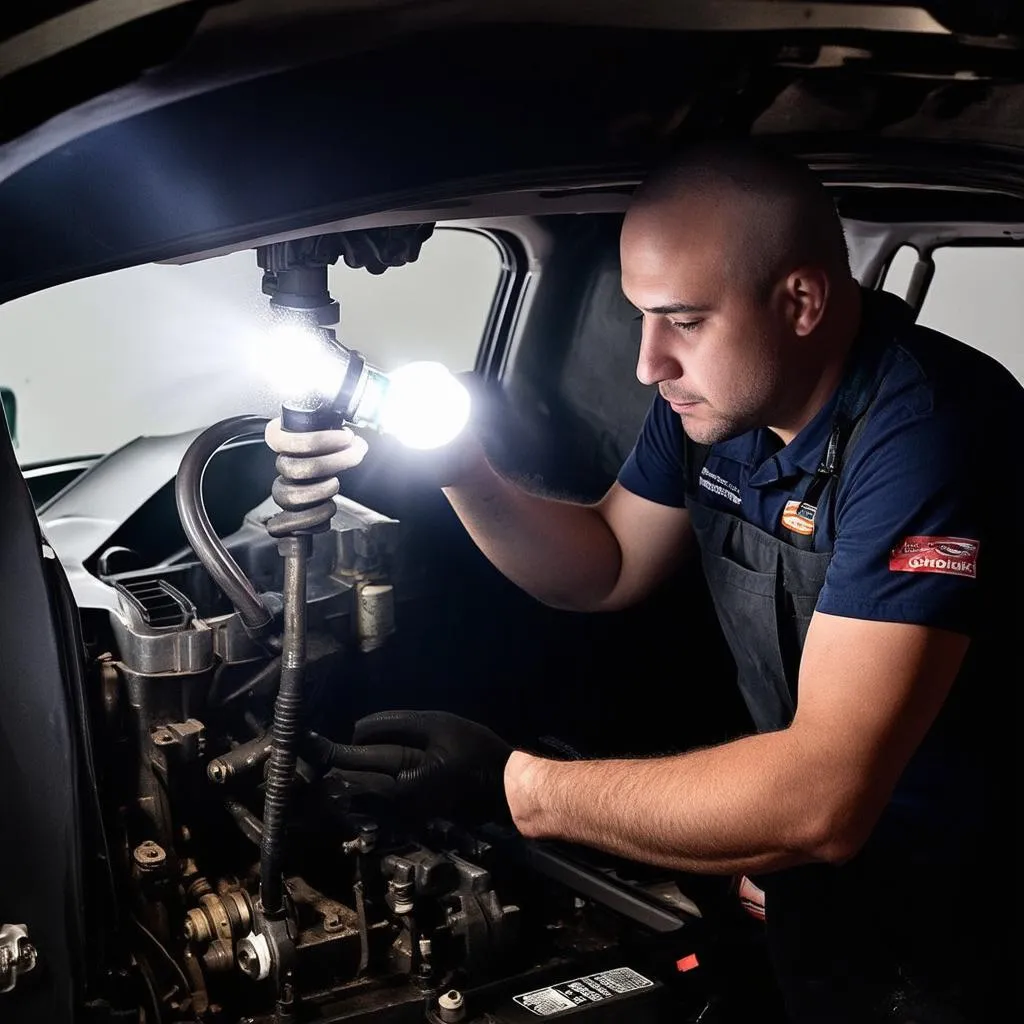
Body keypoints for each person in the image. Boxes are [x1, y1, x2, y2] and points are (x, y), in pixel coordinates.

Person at [267, 141, 1021, 1022]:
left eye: (684, 320)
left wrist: (512, 785)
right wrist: (458, 464)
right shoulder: (722, 401)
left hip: (967, 912)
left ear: (802, 300)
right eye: (639, 318)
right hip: (821, 867)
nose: (647, 363)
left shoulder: (928, 434)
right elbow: (607, 565)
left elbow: (824, 797)